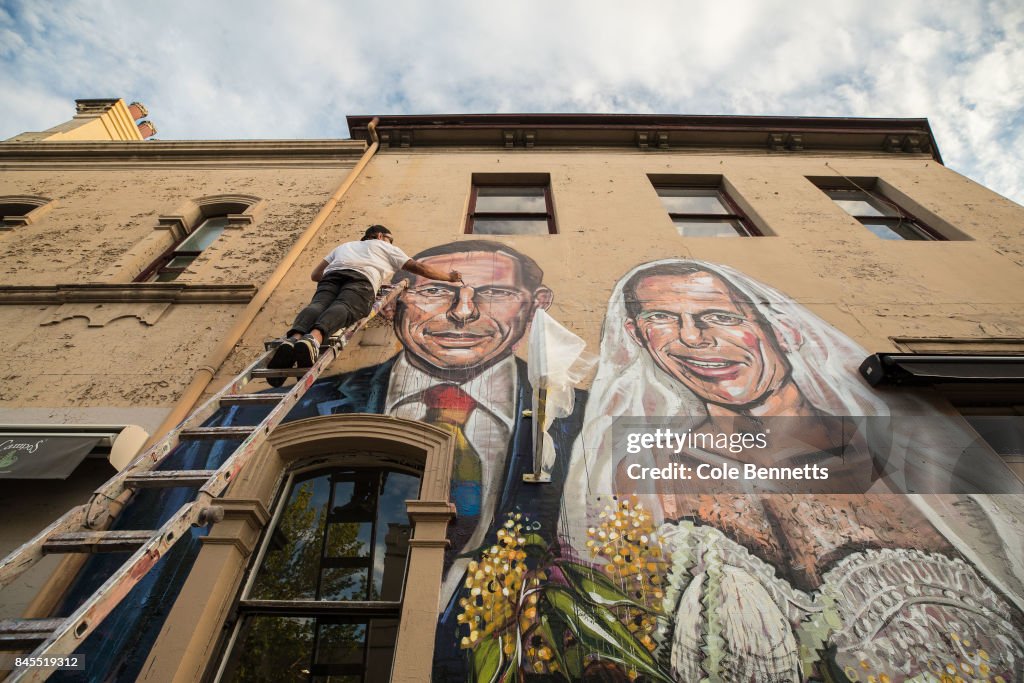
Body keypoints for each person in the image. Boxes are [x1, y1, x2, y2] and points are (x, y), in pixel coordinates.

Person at [561, 258, 1024, 682]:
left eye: (721, 317)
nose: (693, 338)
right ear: (638, 336)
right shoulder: (647, 471)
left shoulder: (901, 457)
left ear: (782, 329)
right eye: (660, 319)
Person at [291, 240, 586, 681]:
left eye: (495, 293)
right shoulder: (300, 406)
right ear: (389, 305)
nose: (463, 313)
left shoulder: (587, 420)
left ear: (536, 306)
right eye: (433, 291)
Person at [267, 225, 461, 382]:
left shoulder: (344, 246)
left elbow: (315, 275)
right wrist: (449, 277)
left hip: (332, 276)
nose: (391, 242)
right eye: (389, 238)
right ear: (379, 235)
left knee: (318, 305)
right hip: (362, 278)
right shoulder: (384, 246)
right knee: (348, 306)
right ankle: (313, 339)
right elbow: (417, 267)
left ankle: (294, 338)